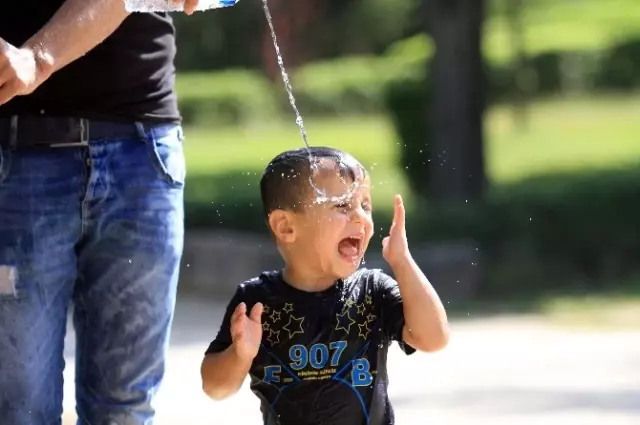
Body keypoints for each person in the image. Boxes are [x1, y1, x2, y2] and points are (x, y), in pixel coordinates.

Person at [0, 0, 201, 423]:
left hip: (143, 147)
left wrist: (37, 58)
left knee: (126, 411)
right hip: (16, 154)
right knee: (17, 408)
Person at [200, 147, 450, 425]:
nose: (360, 217)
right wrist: (240, 354)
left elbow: (433, 338)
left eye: (365, 205)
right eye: (343, 205)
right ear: (286, 227)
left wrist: (402, 262)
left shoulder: (371, 292)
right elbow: (215, 388)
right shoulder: (258, 302)